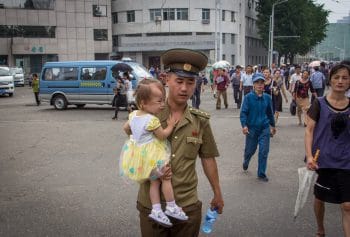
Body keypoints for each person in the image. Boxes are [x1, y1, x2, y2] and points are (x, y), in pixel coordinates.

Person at [136, 48, 224, 236]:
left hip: (186, 205)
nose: (184, 88)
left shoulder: (200, 120)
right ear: (166, 79)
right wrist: (148, 169)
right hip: (153, 205)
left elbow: (208, 158)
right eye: (179, 81)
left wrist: (217, 192)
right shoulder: (147, 115)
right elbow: (132, 152)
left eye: (190, 82)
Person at [120, 79, 188, 227]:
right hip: (153, 155)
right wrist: (170, 125)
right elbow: (162, 136)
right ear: (144, 103)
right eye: (158, 102)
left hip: (139, 156)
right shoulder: (152, 120)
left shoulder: (134, 115)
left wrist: (135, 135)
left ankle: (156, 209)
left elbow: (125, 129)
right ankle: (171, 206)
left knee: (154, 182)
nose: (162, 105)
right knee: (166, 178)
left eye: (163, 101)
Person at [305, 64, 350, 237]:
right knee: (319, 198)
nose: (340, 81)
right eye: (337, 77)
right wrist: (309, 156)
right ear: (330, 79)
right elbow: (309, 131)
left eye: (345, 78)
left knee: (347, 205)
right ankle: (320, 228)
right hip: (322, 159)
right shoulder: (319, 103)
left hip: (346, 160)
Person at [240, 72, 276, 182]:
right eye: (257, 82)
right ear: (253, 84)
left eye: (262, 82)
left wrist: (272, 126)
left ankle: (261, 173)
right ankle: (246, 160)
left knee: (264, 151)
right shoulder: (248, 98)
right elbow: (243, 113)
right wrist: (244, 126)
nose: (260, 85)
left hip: (264, 128)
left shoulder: (267, 98)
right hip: (252, 128)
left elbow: (270, 113)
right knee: (250, 150)